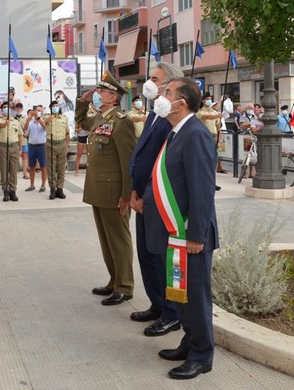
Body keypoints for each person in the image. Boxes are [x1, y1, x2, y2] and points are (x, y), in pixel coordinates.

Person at [142, 77, 219, 380]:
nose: (161, 96)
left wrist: (197, 236)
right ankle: (190, 341)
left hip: (190, 234)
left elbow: (202, 189)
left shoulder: (196, 134)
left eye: (167, 92)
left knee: (196, 296)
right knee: (182, 293)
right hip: (175, 233)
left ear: (181, 102)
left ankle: (202, 355)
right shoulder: (177, 132)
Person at [128, 62, 183, 337]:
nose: (149, 83)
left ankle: (171, 314)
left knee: (162, 259)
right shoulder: (153, 114)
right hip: (142, 198)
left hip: (157, 200)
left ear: (170, 87)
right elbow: (141, 154)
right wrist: (134, 191)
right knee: (147, 257)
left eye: (155, 79)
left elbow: (163, 164)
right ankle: (157, 304)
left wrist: (146, 197)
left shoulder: (170, 118)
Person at [76, 72, 136, 306]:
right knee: (106, 240)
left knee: (119, 240)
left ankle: (125, 286)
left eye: (100, 92)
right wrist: (84, 100)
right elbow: (82, 121)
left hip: (114, 194)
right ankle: (114, 281)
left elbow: (128, 161)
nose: (97, 95)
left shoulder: (122, 122)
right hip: (98, 191)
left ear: (112, 97)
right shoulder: (101, 119)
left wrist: (126, 195)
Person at [45, 100, 71, 199]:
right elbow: (43, 123)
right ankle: (52, 189)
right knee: (51, 168)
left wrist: (67, 145)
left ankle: (60, 189)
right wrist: (48, 120)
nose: (55, 107)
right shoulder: (47, 117)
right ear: (50, 108)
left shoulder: (64, 118)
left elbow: (67, 133)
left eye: (57, 105)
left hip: (62, 144)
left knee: (61, 168)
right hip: (50, 145)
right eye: (53, 106)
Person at [0, 101, 22, 202]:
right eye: (4, 107)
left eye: (8, 107)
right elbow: (1, 126)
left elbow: (20, 135)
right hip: (3, 147)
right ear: (2, 109)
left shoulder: (16, 122)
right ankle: (5, 191)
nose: (6, 108)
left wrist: (20, 148)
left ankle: (13, 191)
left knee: (13, 170)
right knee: (4, 169)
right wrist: (5, 122)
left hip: (14, 146)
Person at [196, 92, 226, 177]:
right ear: (203, 101)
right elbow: (206, 117)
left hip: (214, 136)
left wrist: (219, 139)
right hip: (204, 136)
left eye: (210, 99)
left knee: (214, 158)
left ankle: (212, 177)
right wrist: (218, 116)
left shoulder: (215, 113)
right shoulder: (200, 112)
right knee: (204, 157)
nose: (209, 101)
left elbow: (218, 127)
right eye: (207, 99)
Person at [25, 105, 48, 192]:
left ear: (42, 112)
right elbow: (25, 129)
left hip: (41, 146)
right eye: (36, 110)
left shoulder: (44, 121)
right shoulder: (31, 122)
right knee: (31, 166)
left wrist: (38, 118)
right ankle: (32, 185)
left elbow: (45, 127)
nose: (37, 112)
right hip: (32, 146)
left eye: (39, 110)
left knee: (43, 166)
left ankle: (43, 185)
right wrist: (29, 118)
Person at [15, 103, 30, 179]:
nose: (18, 109)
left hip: (23, 140)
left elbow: (28, 128)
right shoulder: (12, 118)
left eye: (20, 108)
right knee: (13, 157)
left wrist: (27, 133)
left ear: (22, 109)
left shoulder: (25, 118)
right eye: (17, 108)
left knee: (24, 157)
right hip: (14, 140)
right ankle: (12, 174)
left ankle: (25, 173)